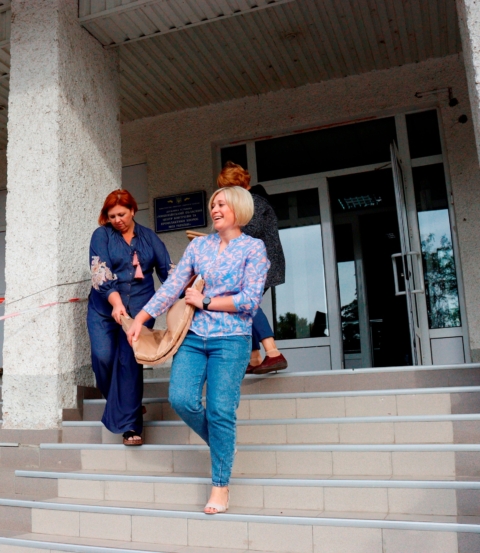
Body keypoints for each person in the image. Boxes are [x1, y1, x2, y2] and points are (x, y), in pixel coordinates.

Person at [126, 187, 269, 514]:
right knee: (181, 399)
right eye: (213, 205)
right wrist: (142, 319)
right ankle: (223, 444)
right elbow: (173, 286)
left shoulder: (254, 248)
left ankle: (220, 486)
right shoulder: (199, 246)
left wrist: (206, 301)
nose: (215, 209)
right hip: (193, 336)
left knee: (220, 411)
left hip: (231, 339)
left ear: (238, 209)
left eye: (221, 204)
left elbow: (250, 301)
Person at [87, 189, 171, 446]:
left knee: (129, 362)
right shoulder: (101, 235)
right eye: (112, 216)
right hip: (104, 308)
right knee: (102, 358)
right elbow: (100, 272)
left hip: (140, 310)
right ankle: (126, 403)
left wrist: (189, 292)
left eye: (121, 214)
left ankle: (131, 425)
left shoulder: (149, 237)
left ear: (133, 210)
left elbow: (168, 272)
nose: (117, 220)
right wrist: (115, 302)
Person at [217, 161, 288, 374]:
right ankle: (255, 357)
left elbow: (251, 229)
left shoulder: (254, 201)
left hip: (261, 263)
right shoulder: (253, 200)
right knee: (243, 305)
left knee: (247, 301)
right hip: (258, 262)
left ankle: (273, 353)